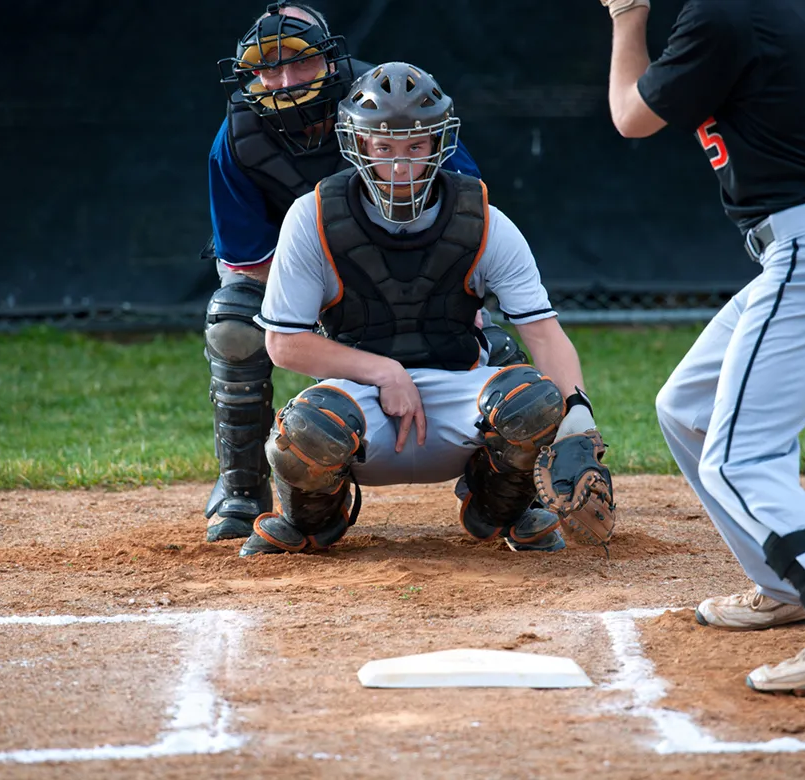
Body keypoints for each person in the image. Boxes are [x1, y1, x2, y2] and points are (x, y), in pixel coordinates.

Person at [598, 0, 805, 693]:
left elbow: (631, 116)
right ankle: (787, 585)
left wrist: (626, 16)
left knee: (739, 456)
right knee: (688, 406)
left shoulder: (723, 11)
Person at [238, 62, 606, 558]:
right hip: (360, 400)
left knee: (535, 403)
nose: (400, 165)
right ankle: (312, 520)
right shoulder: (314, 216)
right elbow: (283, 343)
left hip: (459, 395)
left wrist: (579, 418)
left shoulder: (484, 221)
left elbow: (542, 333)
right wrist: (384, 372)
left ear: (439, 143)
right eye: (383, 147)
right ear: (358, 144)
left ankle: (499, 510)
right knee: (307, 427)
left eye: (416, 146)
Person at [200, 2, 521, 543]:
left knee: (496, 350)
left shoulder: (393, 104)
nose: (281, 81)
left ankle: (495, 486)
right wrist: (330, 302)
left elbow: (462, 221)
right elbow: (249, 263)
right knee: (234, 323)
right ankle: (243, 485)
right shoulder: (237, 139)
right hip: (307, 275)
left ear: (329, 62)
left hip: (422, 266)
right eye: (265, 67)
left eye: (298, 62)